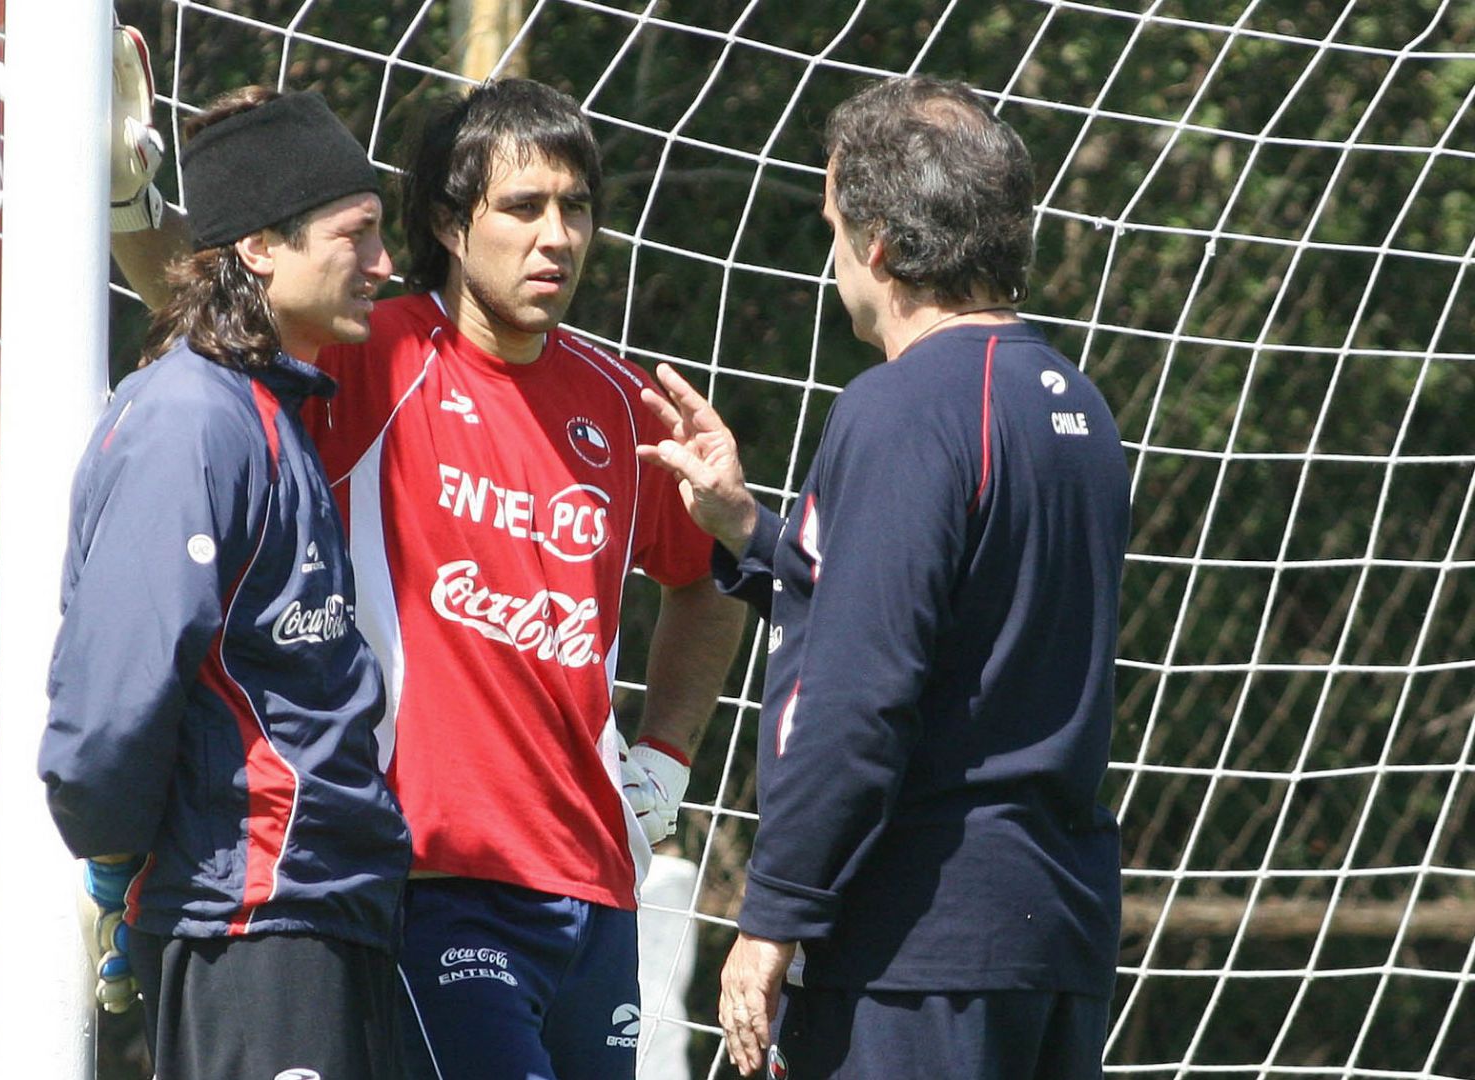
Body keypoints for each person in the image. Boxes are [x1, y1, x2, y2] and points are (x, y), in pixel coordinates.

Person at [108, 60, 747, 1079]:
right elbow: (208, 313)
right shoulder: (378, 355)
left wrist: (665, 760)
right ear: (451, 225)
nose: (558, 238)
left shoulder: (624, 407)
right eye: (525, 208)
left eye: (577, 209)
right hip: (430, 874)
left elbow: (709, 580)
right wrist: (121, 196)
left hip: (595, 884)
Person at [638, 76, 1131, 1079]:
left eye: (830, 227)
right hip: (1054, 938)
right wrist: (747, 529)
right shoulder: (1078, 408)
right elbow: (955, 631)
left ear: (878, 245)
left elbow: (858, 699)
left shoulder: (899, 407)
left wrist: (774, 920)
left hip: (919, 947)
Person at [38, 84, 411, 1080]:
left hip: (328, 908)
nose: (385, 264)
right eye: (358, 234)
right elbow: (113, 694)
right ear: (259, 249)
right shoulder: (188, 423)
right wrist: (114, 860)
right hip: (252, 917)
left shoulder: (275, 411)